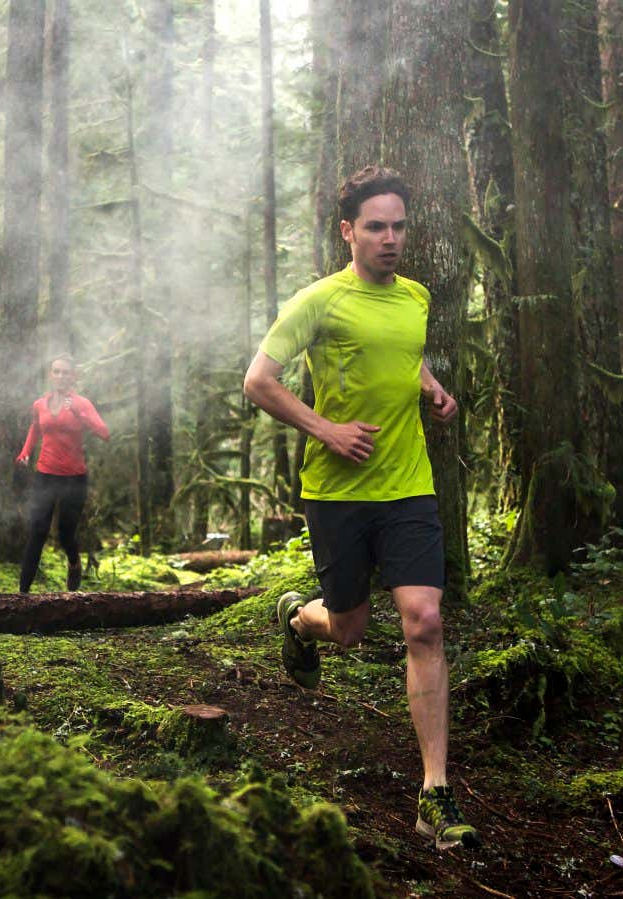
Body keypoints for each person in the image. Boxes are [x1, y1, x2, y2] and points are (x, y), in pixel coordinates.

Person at [242, 165, 479, 851]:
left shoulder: (416, 297)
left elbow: (403, 358)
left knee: (425, 620)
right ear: (347, 231)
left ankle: (435, 790)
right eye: (375, 226)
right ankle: (297, 615)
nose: (390, 238)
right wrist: (326, 429)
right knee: (347, 628)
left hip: (408, 487)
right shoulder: (318, 301)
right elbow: (259, 380)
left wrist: (432, 389)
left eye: (399, 226)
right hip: (338, 493)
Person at [15, 354, 110, 593]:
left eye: (65, 372)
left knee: (66, 534)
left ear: (73, 376)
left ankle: (74, 564)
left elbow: (104, 433)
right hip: (45, 475)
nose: (60, 376)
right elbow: (35, 428)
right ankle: (21, 595)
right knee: (37, 531)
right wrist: (25, 452)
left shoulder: (82, 403)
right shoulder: (39, 404)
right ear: (50, 375)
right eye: (56, 371)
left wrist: (80, 414)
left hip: (74, 478)